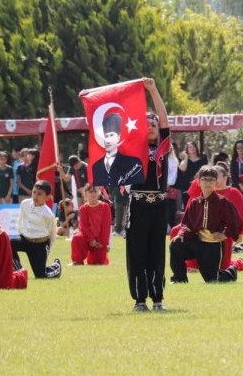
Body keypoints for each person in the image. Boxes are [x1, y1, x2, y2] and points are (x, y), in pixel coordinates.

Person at [125, 78, 171, 312]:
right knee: (137, 251)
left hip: (159, 205)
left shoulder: (163, 146)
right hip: (138, 205)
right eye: (146, 123)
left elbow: (163, 118)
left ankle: (158, 298)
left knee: (157, 251)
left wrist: (153, 89)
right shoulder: (133, 147)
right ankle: (140, 299)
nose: (151, 125)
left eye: (153, 122)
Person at [170, 166, 243, 284]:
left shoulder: (222, 202)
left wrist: (226, 234)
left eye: (211, 180)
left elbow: (235, 221)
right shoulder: (195, 203)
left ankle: (231, 272)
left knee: (212, 280)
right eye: (205, 180)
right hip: (197, 242)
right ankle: (179, 279)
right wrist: (181, 234)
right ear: (198, 182)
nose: (208, 183)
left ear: (215, 182)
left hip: (213, 245)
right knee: (176, 245)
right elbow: (186, 223)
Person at [11, 180, 62, 279]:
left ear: (47, 197)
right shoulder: (25, 204)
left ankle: (56, 267)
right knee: (8, 244)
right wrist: (21, 233)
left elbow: (51, 233)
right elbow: (21, 220)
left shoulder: (48, 214)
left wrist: (47, 248)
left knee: (40, 276)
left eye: (39, 194)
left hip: (40, 245)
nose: (35, 196)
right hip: (25, 240)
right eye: (34, 192)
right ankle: (19, 270)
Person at [91, 112, 144, 186]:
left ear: (119, 137)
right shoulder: (96, 166)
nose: (108, 140)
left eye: (112, 135)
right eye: (106, 136)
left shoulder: (133, 162)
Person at [71, 184, 112, 265]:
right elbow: (83, 227)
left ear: (99, 193)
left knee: (96, 263)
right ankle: (77, 261)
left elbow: (106, 227)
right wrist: (91, 239)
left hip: (100, 240)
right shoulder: (83, 208)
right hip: (87, 237)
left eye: (95, 191)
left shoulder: (105, 207)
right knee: (77, 237)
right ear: (85, 194)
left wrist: (103, 242)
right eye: (90, 192)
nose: (93, 194)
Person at [177, 142, 207, 209]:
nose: (192, 148)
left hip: (199, 184)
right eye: (190, 147)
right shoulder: (185, 160)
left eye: (193, 146)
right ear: (187, 149)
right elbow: (182, 169)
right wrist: (186, 157)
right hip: (186, 185)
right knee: (187, 205)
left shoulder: (202, 159)